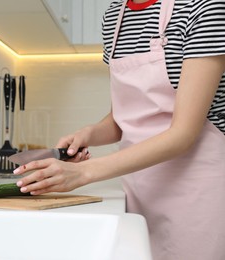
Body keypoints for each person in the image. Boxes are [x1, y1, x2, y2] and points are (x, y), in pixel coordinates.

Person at [13, 0, 225, 259]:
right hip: (138, 189)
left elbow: (183, 134)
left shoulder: (204, 7)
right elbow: (121, 118)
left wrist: (84, 172)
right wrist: (89, 133)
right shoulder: (115, 15)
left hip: (196, 192)